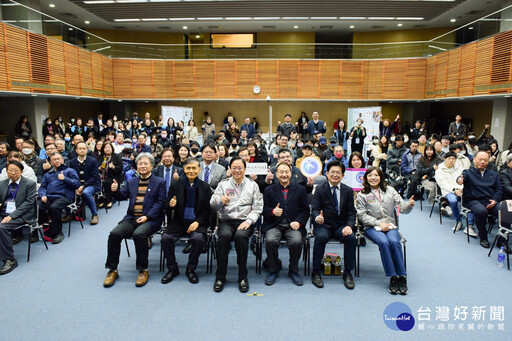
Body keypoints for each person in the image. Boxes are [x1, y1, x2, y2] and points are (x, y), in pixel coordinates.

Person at [103, 153, 166, 288]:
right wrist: (115, 191)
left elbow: (161, 202)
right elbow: (121, 196)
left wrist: (147, 216)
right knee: (114, 234)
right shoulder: (132, 182)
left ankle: (143, 270)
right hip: (132, 218)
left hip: (151, 219)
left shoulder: (159, 182)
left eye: (145, 163)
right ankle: (112, 270)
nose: (142, 166)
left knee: (139, 234)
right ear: (136, 166)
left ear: (152, 166)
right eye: (140, 164)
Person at [356, 167, 415, 295]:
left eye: (376, 175)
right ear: (366, 178)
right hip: (371, 227)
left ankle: (402, 276)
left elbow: (402, 207)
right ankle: (393, 276)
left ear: (381, 177)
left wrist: (409, 205)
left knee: (394, 241)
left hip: (390, 225)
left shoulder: (390, 190)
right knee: (384, 242)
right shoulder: (362, 194)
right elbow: (362, 216)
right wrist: (379, 223)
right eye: (370, 175)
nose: (373, 178)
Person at [210, 156, 263, 293]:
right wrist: (220, 200)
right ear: (230, 169)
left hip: (244, 220)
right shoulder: (224, 184)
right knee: (225, 237)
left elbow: (258, 207)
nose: (237, 170)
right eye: (234, 168)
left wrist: (249, 221)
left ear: (245, 169)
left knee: (241, 237)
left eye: (240, 168)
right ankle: (220, 277)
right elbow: (212, 203)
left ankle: (243, 276)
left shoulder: (252, 185)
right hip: (226, 220)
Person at [161, 158, 212, 284]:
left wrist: (198, 222)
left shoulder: (205, 187)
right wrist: (171, 204)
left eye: (194, 168)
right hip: (179, 221)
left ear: (199, 170)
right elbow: (166, 205)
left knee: (198, 239)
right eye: (188, 168)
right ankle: (173, 269)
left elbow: (207, 209)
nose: (191, 171)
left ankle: (191, 269)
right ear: (184, 169)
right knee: (166, 238)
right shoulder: (176, 184)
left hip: (196, 222)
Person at [262, 162, 310, 286]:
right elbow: (263, 209)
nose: (284, 174)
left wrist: (299, 222)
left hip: (293, 224)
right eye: (281, 172)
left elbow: (305, 210)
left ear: (291, 173)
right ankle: (273, 268)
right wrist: (272, 211)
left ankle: (293, 270)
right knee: (271, 240)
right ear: (276, 174)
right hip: (274, 224)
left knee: (296, 241)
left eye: (286, 172)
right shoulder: (269, 190)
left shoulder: (300, 189)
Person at [311, 160, 357, 289]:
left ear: (343, 175)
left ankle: (347, 272)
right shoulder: (320, 189)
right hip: (323, 224)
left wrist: (349, 226)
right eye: (332, 172)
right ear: (326, 173)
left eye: (338, 173)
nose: (335, 175)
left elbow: (351, 212)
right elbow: (314, 209)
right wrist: (316, 217)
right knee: (321, 237)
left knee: (351, 238)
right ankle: (315, 271)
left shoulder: (348, 190)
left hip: (340, 225)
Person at [457, 151, 502, 249]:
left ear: (488, 162)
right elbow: (460, 179)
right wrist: (460, 181)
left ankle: (502, 241)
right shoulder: (467, 172)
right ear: (474, 159)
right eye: (480, 159)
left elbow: (499, 189)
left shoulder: (494, 174)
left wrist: (494, 200)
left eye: (485, 160)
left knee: (504, 210)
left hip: (490, 201)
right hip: (473, 201)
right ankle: (483, 237)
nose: (482, 162)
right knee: (481, 211)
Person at [0, 161, 37, 275]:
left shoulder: (29, 183)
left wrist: (12, 215)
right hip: (3, 212)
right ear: (6, 172)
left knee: (2, 227)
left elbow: (29, 203)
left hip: (21, 215)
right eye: (10, 170)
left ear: (21, 171)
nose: (13, 173)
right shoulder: (2, 183)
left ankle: (10, 259)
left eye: (16, 170)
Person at [38, 153, 80, 244]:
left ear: (62, 160)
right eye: (54, 159)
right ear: (50, 162)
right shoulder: (48, 174)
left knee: (54, 207)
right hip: (49, 197)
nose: (56, 161)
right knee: (38, 206)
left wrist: (65, 179)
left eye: (58, 159)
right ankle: (48, 226)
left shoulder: (70, 171)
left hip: (64, 197)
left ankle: (58, 233)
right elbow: (42, 187)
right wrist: (42, 195)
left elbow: (77, 184)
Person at [69, 142, 101, 225]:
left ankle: (94, 214)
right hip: (77, 185)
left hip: (92, 184)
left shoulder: (92, 161)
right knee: (66, 191)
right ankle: (69, 213)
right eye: (80, 148)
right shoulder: (72, 162)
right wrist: (76, 187)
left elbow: (94, 177)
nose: (82, 150)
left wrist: (83, 186)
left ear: (87, 150)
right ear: (76, 150)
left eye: (84, 148)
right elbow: (71, 176)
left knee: (86, 192)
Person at [99, 142, 123, 209]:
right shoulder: (100, 157)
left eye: (109, 147)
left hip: (113, 176)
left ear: (112, 148)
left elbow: (120, 167)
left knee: (107, 182)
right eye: (105, 147)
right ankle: (101, 200)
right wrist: (99, 168)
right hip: (101, 175)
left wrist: (113, 167)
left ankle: (109, 201)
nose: (107, 149)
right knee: (98, 182)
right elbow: (95, 166)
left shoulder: (116, 157)